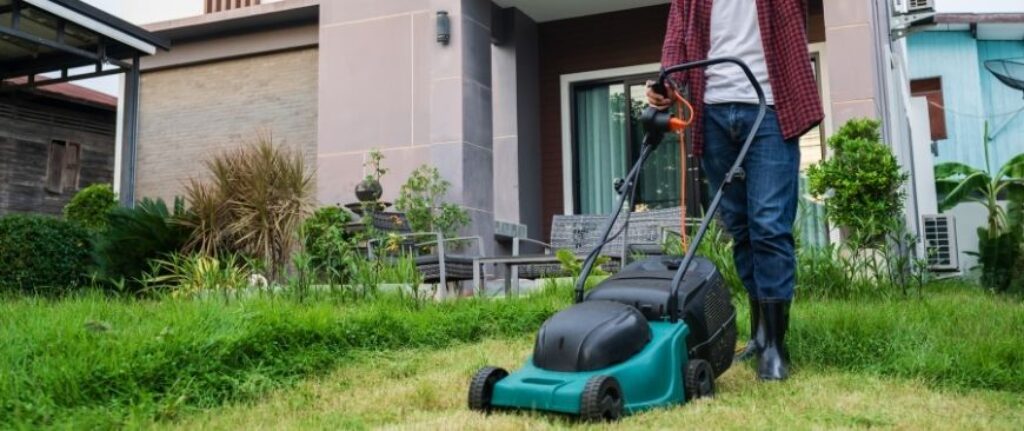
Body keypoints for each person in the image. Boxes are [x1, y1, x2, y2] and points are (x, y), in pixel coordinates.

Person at [648, 0, 823, 381]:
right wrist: (666, 87)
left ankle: (777, 344)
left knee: (769, 225)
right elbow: (676, 41)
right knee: (741, 227)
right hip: (712, 114)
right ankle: (761, 334)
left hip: (770, 110)